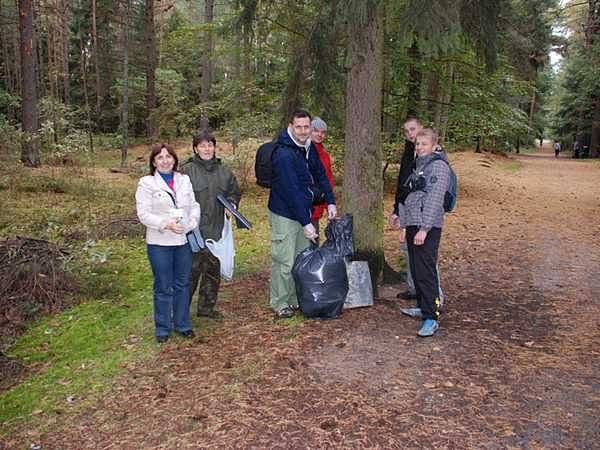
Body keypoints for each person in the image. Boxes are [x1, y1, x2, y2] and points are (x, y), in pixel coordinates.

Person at [269, 109, 336, 319]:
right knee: (285, 260)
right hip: (284, 214)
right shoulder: (283, 154)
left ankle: (294, 298)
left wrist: (330, 201)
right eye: (298, 127)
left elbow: (320, 175)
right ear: (290, 126)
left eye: (306, 127)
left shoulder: (308, 148)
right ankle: (280, 303)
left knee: (300, 258)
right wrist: (307, 223)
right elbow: (292, 192)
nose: (302, 131)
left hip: (301, 211)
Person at [136, 144, 200, 343]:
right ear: (154, 162)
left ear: (174, 159)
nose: (165, 161)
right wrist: (166, 224)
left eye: (169, 157)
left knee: (182, 283)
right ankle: (163, 328)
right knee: (164, 285)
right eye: (160, 158)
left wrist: (191, 224)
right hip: (159, 242)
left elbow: (194, 205)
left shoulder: (184, 180)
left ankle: (182, 324)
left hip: (183, 240)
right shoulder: (146, 183)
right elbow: (144, 214)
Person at [180, 130, 241, 320]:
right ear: (195, 149)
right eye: (202, 145)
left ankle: (206, 308)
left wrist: (231, 204)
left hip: (216, 230)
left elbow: (234, 192)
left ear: (214, 147)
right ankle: (180, 311)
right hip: (193, 232)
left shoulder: (225, 172)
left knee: (213, 271)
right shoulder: (186, 171)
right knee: (189, 273)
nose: (207, 149)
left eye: (210, 145)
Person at [396, 129, 450, 337]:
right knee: (417, 270)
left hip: (426, 228)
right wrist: (403, 223)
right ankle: (423, 305)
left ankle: (431, 316)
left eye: (424, 144)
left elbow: (435, 200)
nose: (419, 147)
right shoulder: (418, 166)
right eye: (417, 144)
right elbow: (408, 195)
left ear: (435, 145)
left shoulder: (438, 167)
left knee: (426, 272)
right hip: (412, 225)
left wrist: (425, 229)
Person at [389, 118, 444, 306]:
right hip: (410, 216)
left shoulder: (435, 159)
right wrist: (398, 211)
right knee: (412, 258)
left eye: (413, 129)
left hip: (425, 220)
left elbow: (434, 196)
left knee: (426, 262)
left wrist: (425, 227)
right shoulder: (411, 154)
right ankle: (419, 297)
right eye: (407, 131)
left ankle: (435, 302)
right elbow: (404, 186)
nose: (410, 134)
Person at [310, 117, 335, 237]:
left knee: (313, 244)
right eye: (316, 130)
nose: (320, 134)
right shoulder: (302, 151)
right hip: (303, 207)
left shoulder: (324, 155)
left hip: (317, 207)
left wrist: (329, 205)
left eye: (323, 132)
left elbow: (328, 181)